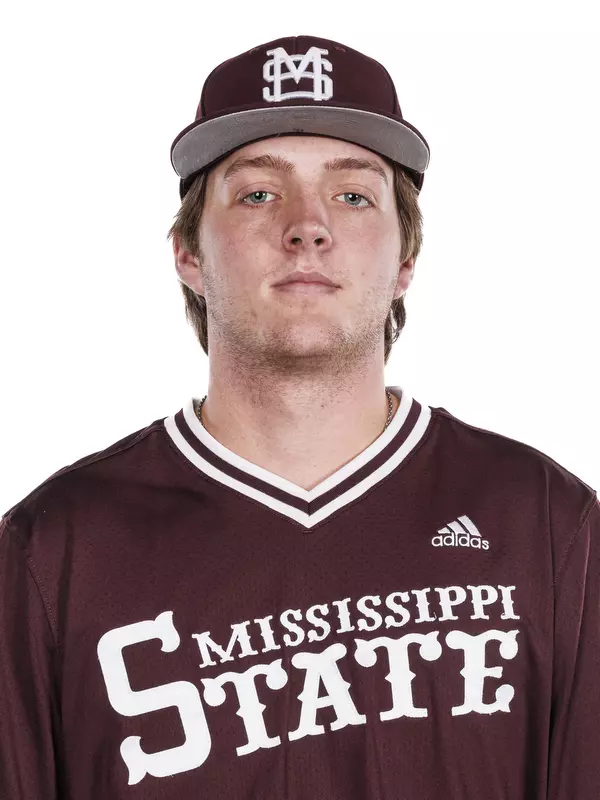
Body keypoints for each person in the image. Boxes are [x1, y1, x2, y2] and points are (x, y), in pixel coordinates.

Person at [0, 34, 598, 800]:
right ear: (188, 252)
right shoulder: (58, 547)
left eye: (353, 195)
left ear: (405, 260)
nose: (306, 226)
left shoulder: (544, 523)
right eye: (257, 193)